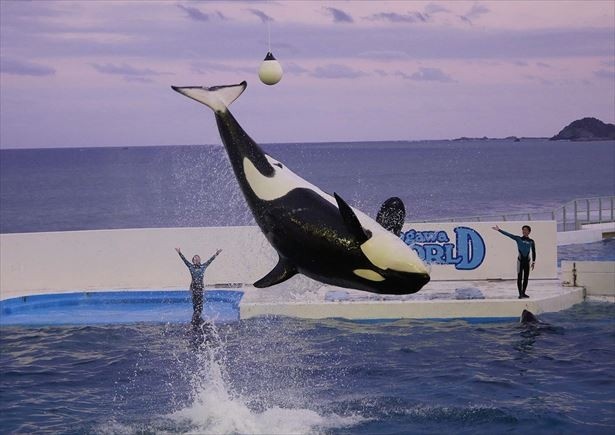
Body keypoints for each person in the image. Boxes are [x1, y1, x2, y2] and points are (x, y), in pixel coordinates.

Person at [175, 247, 222, 325]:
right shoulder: (191, 267)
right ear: (193, 261)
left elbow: (211, 260)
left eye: (198, 258)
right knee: (195, 306)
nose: (197, 259)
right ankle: (195, 320)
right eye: (195, 258)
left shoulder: (203, 266)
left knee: (200, 307)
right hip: (194, 289)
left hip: (200, 289)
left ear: (200, 260)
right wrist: (179, 253)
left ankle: (197, 319)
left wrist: (216, 253)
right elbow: (184, 260)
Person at [492, 225, 536, 299]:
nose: (524, 231)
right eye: (523, 230)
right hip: (520, 261)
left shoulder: (531, 241)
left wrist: (534, 262)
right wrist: (499, 230)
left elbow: (534, 252)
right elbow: (509, 235)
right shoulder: (518, 238)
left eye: (526, 230)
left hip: (527, 261)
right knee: (519, 277)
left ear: (529, 232)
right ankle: (520, 294)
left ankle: (524, 292)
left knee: (526, 278)